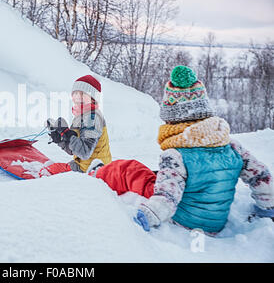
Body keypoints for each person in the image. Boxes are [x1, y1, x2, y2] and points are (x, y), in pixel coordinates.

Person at [90, 66, 274, 235]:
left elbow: (167, 196)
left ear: (173, 117)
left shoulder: (176, 155)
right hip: (216, 221)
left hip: (185, 218)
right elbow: (261, 176)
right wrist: (267, 208)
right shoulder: (232, 146)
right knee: (162, 174)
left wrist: (147, 215)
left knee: (130, 169)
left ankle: (97, 174)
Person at [42, 75, 112, 175]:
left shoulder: (93, 117)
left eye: (82, 94)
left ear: (93, 98)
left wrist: (68, 134)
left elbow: (84, 153)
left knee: (46, 171)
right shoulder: (79, 117)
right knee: (50, 168)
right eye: (75, 93)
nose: (77, 97)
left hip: (94, 170)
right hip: (83, 166)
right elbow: (73, 151)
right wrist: (60, 139)